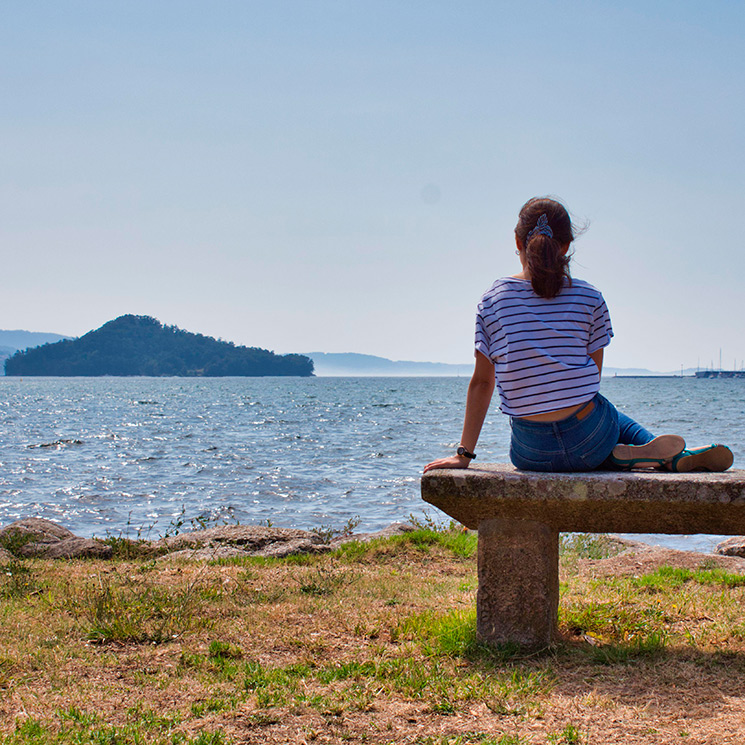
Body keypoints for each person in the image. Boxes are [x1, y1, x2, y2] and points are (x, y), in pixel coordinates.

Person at [424, 197, 733, 474]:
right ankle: (657, 454)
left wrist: (464, 455)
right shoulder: (589, 297)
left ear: (517, 242)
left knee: (583, 428)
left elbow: (482, 383)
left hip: (531, 451)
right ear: (567, 245)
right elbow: (592, 379)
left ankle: (632, 456)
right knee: (604, 413)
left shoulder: (492, 301)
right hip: (590, 437)